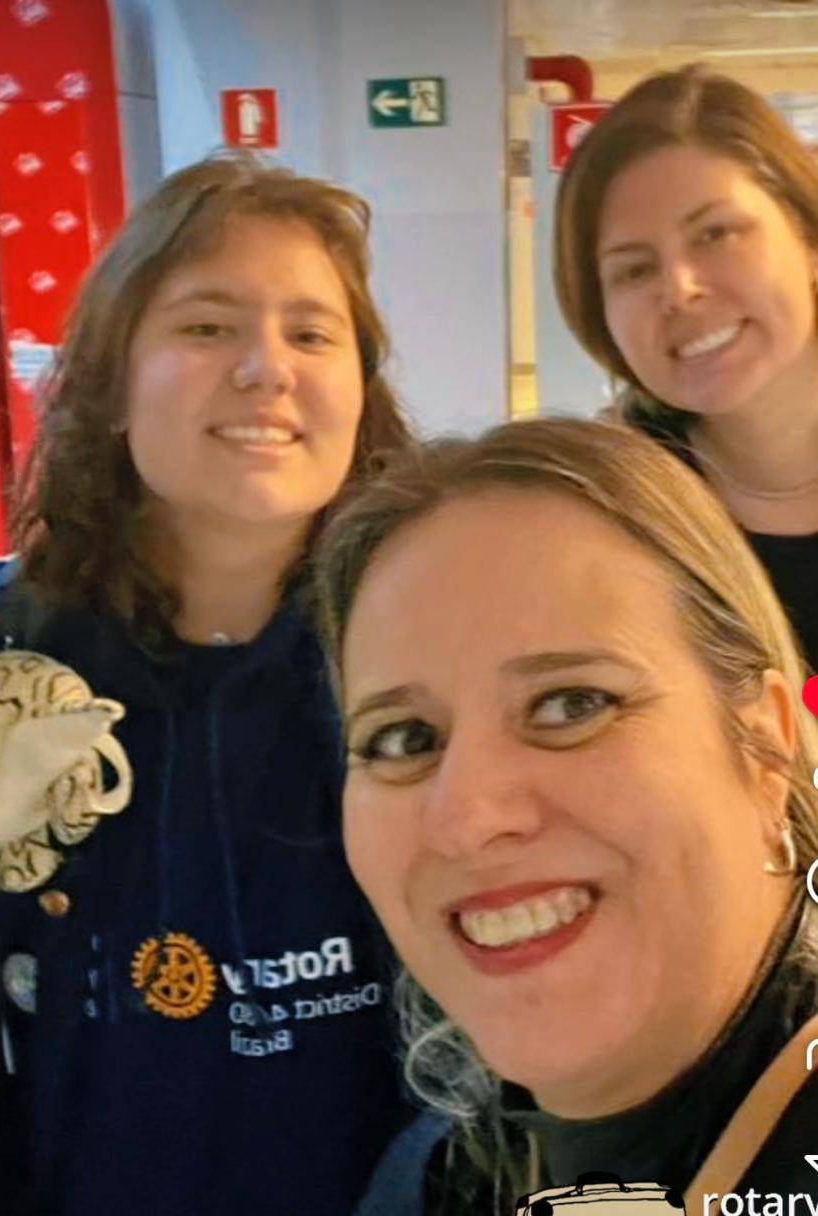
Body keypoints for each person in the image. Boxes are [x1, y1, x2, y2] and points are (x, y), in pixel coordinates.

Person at [0, 154, 412, 1216]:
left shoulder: (428, 659)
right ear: (111, 386)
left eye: (311, 334)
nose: (266, 369)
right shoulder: (12, 666)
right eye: (207, 326)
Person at [311, 417, 818, 1215]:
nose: (468, 818)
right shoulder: (434, 1181)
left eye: (572, 704)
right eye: (404, 739)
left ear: (765, 746)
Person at [554, 66, 818, 669]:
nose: (679, 288)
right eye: (634, 270)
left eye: (716, 234)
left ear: (808, 238)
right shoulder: (603, 518)